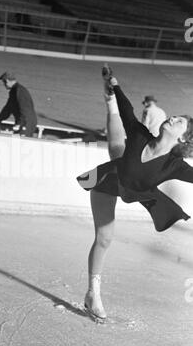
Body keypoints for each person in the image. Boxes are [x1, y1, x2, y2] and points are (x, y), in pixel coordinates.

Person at [77, 64, 193, 322]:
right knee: (105, 238)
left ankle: (109, 104)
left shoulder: (175, 166)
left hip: (136, 187)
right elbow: (128, 110)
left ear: (183, 140)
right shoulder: (141, 135)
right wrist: (114, 86)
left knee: (119, 149)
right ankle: (92, 294)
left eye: (179, 121)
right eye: (175, 116)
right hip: (109, 179)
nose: (172, 117)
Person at [0, 72, 37, 137]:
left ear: (7, 81)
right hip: (24, 122)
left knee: (22, 143)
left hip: (26, 123)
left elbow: (25, 109)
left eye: (4, 82)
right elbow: (7, 108)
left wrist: (20, 123)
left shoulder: (19, 91)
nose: (4, 84)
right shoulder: (14, 91)